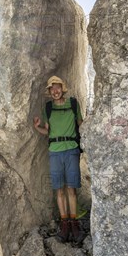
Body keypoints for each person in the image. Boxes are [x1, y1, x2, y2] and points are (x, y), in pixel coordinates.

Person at [33, 76, 83, 242]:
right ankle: (64, 224)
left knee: (71, 188)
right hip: (55, 151)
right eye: (52, 89)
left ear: (63, 88)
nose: (55, 91)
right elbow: (48, 131)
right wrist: (37, 127)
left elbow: (81, 125)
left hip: (71, 150)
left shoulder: (73, 104)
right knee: (59, 189)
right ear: (49, 92)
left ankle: (74, 222)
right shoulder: (48, 108)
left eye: (57, 88)